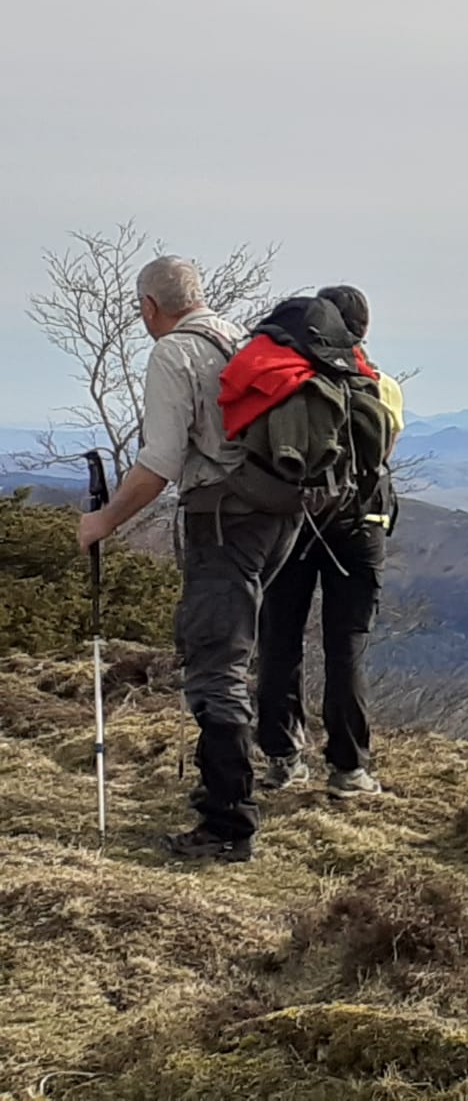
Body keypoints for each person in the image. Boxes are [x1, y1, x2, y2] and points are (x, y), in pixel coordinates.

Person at [77, 255, 302, 862]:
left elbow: (161, 463)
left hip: (223, 520)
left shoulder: (174, 353)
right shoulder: (241, 339)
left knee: (214, 665)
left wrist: (104, 522)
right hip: (279, 517)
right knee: (234, 654)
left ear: (150, 307)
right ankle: (226, 795)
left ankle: (229, 824)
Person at [255, 284, 403, 798]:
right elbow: (382, 452)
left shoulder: (286, 384)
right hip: (358, 525)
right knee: (347, 647)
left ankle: (282, 757)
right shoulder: (378, 384)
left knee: (279, 639)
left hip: (292, 520)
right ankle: (349, 769)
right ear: (362, 329)